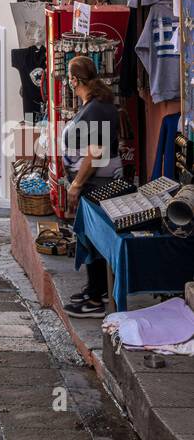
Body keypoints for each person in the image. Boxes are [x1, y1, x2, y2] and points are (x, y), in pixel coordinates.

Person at [61, 54, 122, 318]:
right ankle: (95, 290)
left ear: (74, 80)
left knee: (93, 238)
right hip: (96, 181)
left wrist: (76, 184)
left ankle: (95, 299)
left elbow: (96, 153)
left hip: (95, 183)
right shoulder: (99, 103)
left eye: (69, 78)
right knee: (93, 237)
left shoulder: (96, 108)